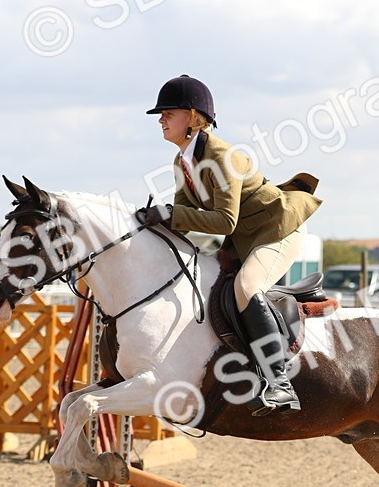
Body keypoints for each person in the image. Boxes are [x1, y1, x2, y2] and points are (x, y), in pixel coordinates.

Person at [136, 75, 321, 415]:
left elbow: (224, 221)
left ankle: (280, 383)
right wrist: (152, 230)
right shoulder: (182, 162)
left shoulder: (222, 156)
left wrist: (172, 214)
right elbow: (186, 218)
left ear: (192, 117)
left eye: (168, 113)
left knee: (246, 287)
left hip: (277, 229)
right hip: (245, 238)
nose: (160, 119)